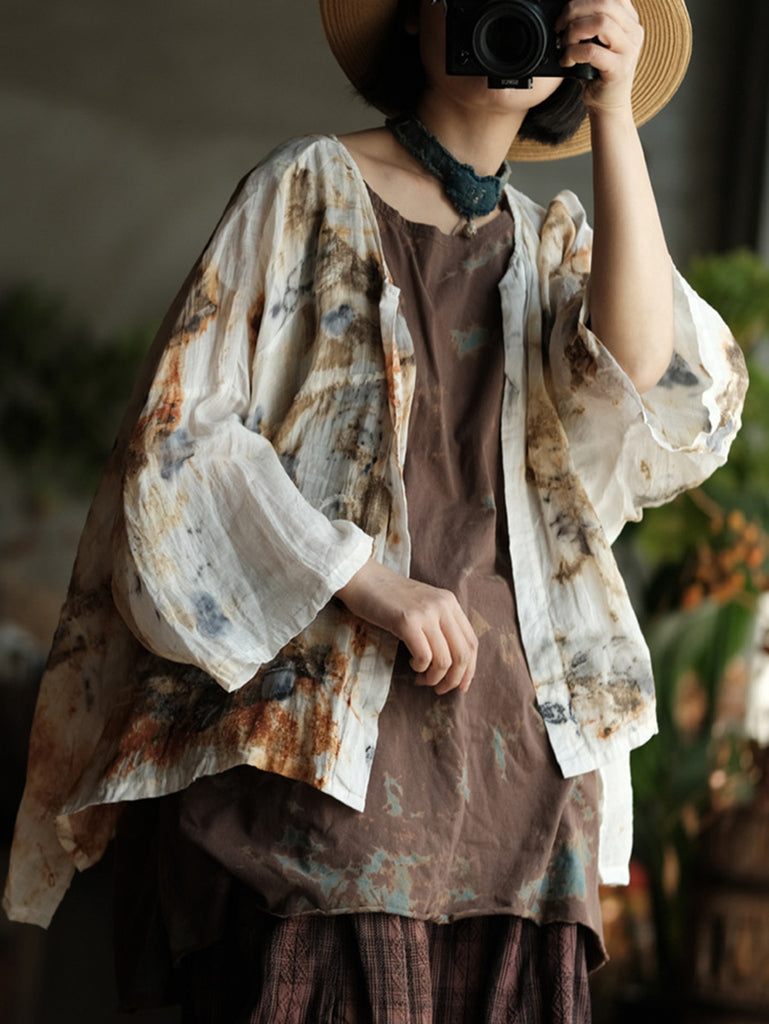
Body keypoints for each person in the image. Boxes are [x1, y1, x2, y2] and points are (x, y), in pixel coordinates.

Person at [4, 0, 748, 1021]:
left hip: (523, 786)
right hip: (324, 766)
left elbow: (641, 370)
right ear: (412, 16)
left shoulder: (555, 248)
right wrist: (369, 581)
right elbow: (180, 440)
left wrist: (612, 114)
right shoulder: (304, 190)